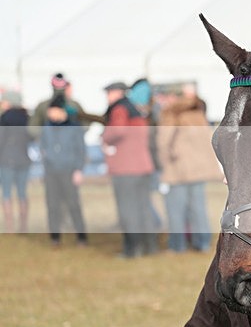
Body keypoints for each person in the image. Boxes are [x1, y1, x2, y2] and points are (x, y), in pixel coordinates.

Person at [155, 83, 222, 252]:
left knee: (175, 210)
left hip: (177, 169)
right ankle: (203, 242)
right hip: (198, 169)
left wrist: (163, 165)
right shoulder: (198, 113)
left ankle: (178, 245)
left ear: (173, 97)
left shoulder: (170, 114)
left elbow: (163, 142)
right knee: (198, 209)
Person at [101, 81, 157, 257]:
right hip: (142, 166)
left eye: (109, 93)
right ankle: (150, 246)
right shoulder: (137, 109)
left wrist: (105, 136)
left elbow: (117, 131)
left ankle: (133, 249)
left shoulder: (119, 109)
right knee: (143, 208)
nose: (107, 97)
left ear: (117, 93)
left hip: (126, 168)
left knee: (128, 210)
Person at [38, 92, 89, 245]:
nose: (50, 113)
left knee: (73, 205)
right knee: (52, 205)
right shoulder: (46, 127)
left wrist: (79, 170)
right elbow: (43, 146)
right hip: (51, 172)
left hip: (69, 171)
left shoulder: (74, 127)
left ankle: (82, 237)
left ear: (61, 111)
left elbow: (81, 150)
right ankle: (55, 238)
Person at [0, 90, 32, 233]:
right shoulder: (27, 117)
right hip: (24, 159)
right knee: (22, 193)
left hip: (6, 160)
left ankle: (10, 228)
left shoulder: (4, 118)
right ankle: (23, 227)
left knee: (6, 193)